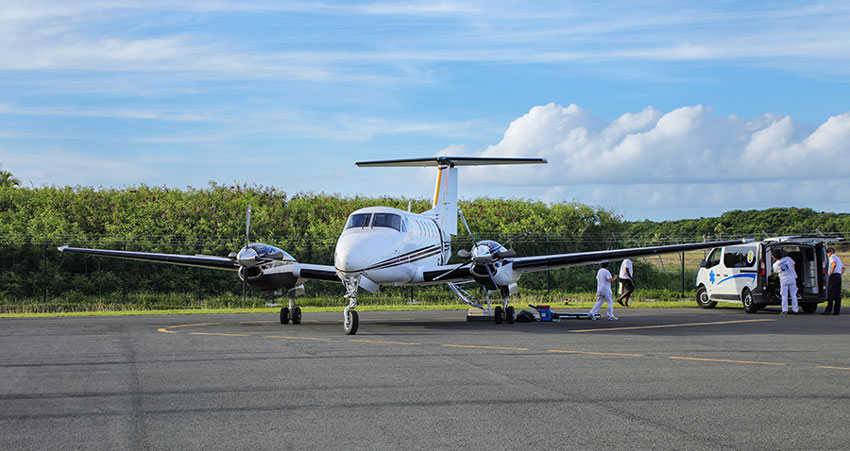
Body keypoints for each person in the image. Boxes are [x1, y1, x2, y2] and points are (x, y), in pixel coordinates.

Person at [771, 250, 799, 314]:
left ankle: (785, 310)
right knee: (793, 294)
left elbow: (775, 272)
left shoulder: (775, 264)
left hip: (784, 279)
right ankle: (795, 309)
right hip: (792, 278)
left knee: (784, 295)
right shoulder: (788, 258)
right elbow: (794, 265)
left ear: (774, 257)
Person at [823, 247, 845, 315]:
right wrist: (839, 274)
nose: (827, 254)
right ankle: (836, 311)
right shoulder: (838, 258)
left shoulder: (832, 257)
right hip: (838, 276)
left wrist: (830, 273)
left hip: (834, 276)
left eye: (828, 252)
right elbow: (843, 268)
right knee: (837, 294)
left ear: (831, 251)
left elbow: (834, 264)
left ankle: (828, 310)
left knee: (831, 293)